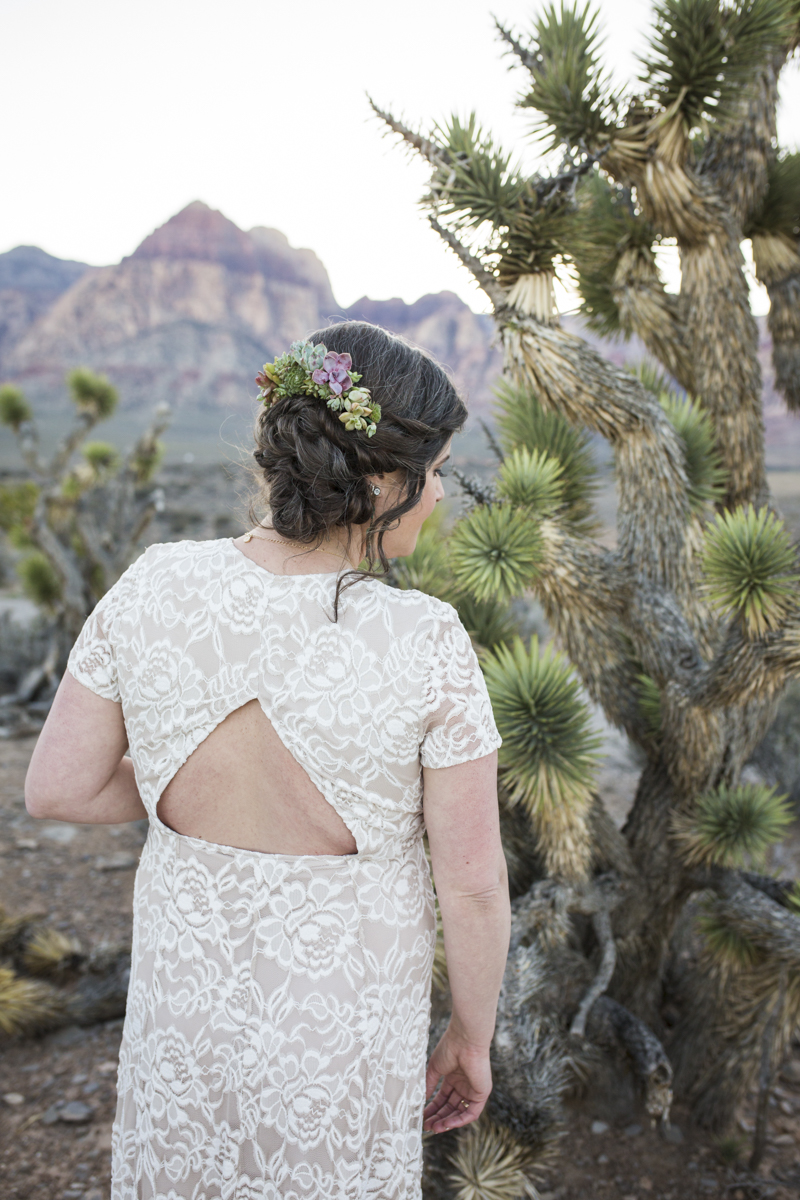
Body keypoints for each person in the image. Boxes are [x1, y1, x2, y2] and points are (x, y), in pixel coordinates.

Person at [25, 322, 511, 1200]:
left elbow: (58, 787)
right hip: (337, 1039)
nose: (439, 495)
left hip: (185, 1024)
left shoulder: (154, 583)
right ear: (381, 479)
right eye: (434, 472)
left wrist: (184, 771)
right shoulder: (425, 639)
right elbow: (472, 884)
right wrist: (469, 1041)